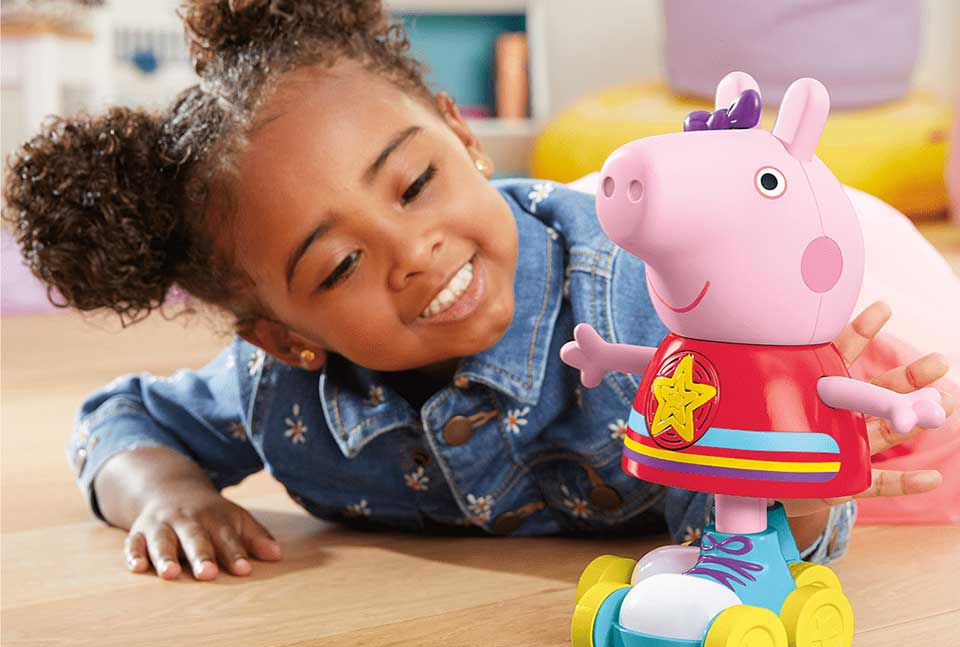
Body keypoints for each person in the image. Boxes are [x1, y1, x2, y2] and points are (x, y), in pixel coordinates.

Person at [3, 0, 950, 581]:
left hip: (805, 268)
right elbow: (121, 417)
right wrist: (163, 493)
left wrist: (799, 481)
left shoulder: (645, 315)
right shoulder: (283, 395)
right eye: (338, 267)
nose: (413, 250)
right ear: (285, 337)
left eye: (415, 182)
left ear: (463, 138)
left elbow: (734, 526)